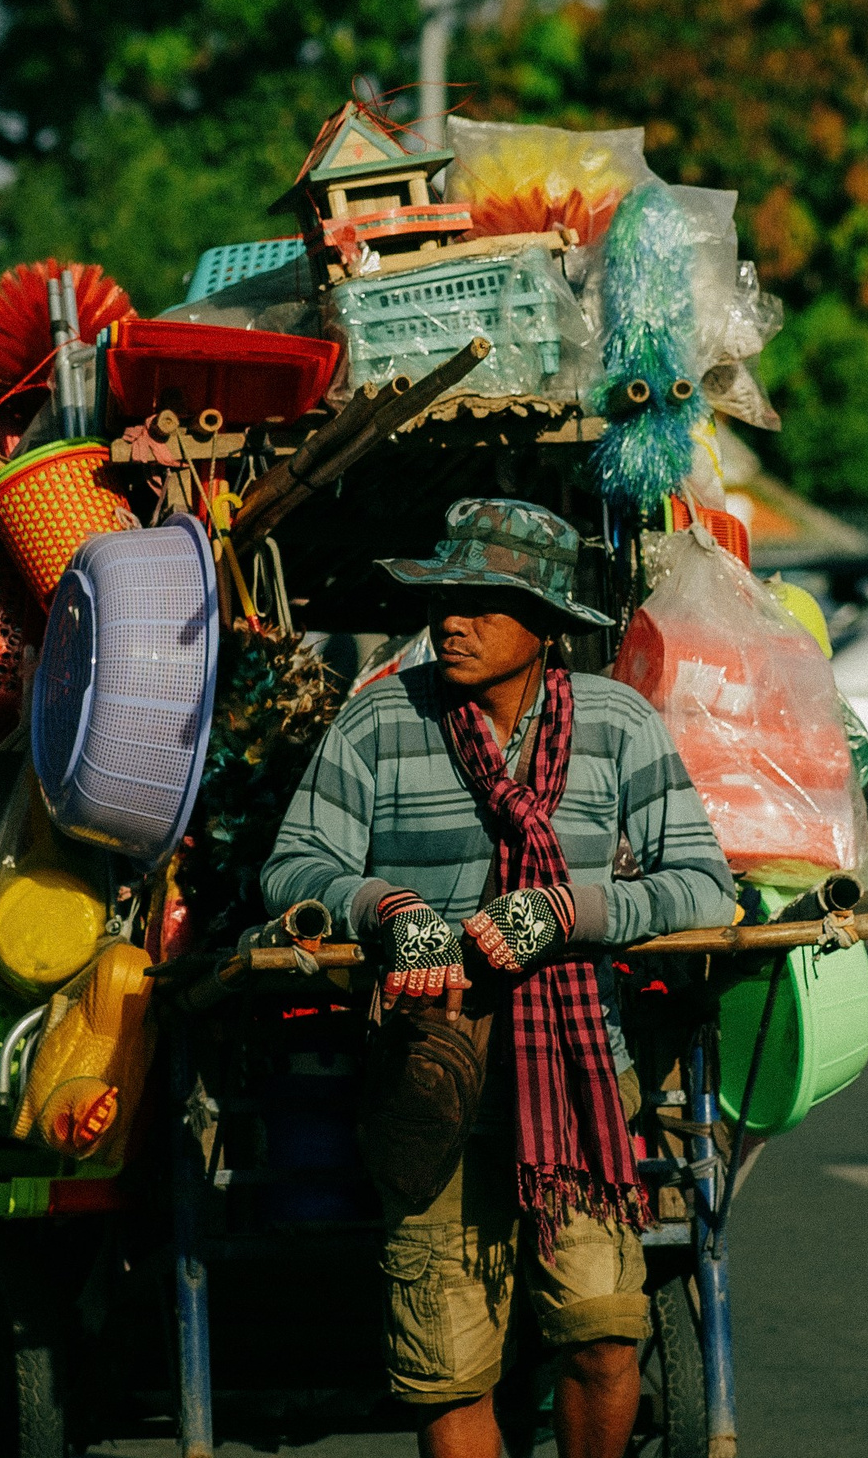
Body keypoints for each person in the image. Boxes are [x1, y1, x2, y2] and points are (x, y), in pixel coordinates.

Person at [264, 499, 736, 1458]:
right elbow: (291, 869)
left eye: (485, 601)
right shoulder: (381, 721)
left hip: (580, 1080)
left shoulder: (616, 724)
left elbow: (704, 885)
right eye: (446, 598)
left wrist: (572, 911)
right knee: (449, 1370)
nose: (452, 619)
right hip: (428, 1082)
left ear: (549, 625)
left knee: (604, 1336)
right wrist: (389, 912)